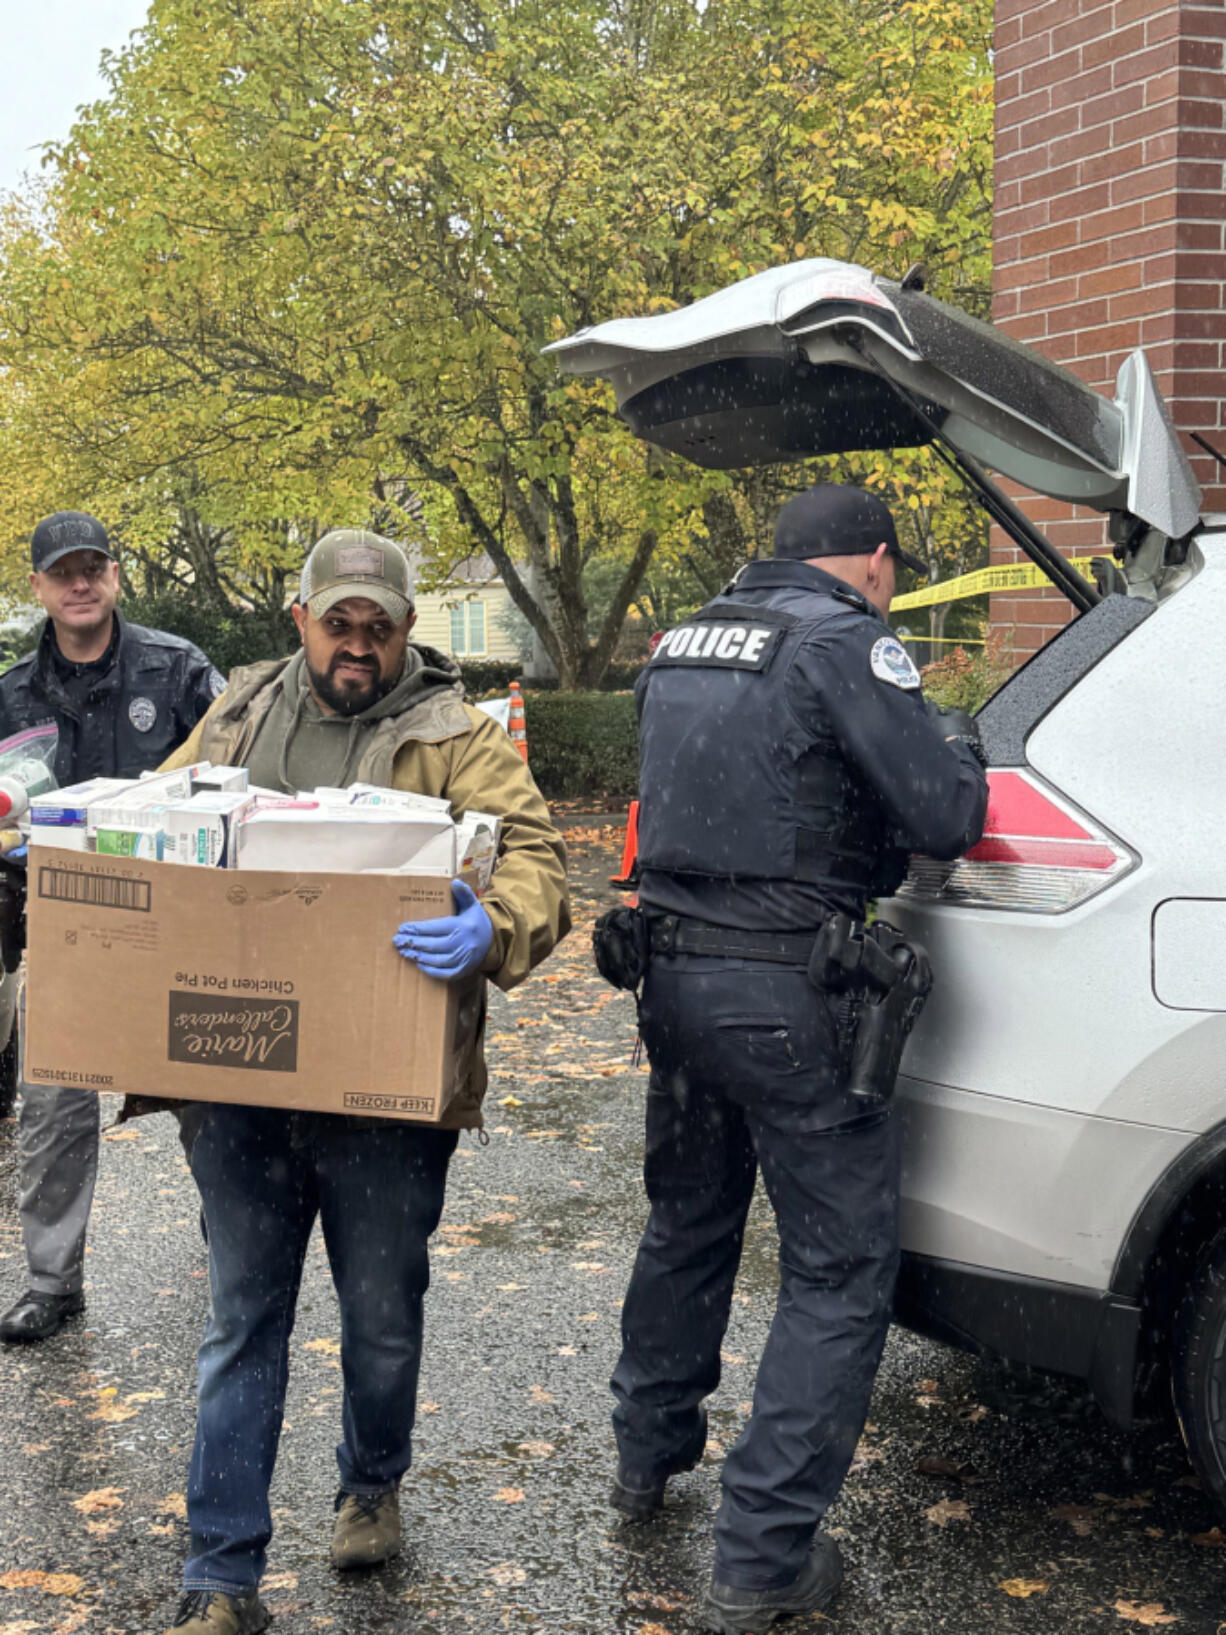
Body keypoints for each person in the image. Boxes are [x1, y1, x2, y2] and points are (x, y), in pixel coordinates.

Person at [150, 529, 570, 1635]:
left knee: (380, 1314)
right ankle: (219, 1574)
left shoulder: (453, 735)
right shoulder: (238, 713)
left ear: (402, 632)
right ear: (300, 619)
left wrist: (494, 922)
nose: (356, 644)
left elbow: (534, 855)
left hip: (382, 1092)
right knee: (244, 1317)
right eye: (337, 622)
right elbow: (152, 812)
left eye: (376, 627)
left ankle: (370, 1481)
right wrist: (71, 845)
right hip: (239, 1077)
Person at [606, 484, 989, 1633]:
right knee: (835, 1271)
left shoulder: (685, 642)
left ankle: (644, 1458)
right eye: (890, 577)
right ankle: (764, 1555)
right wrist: (956, 747)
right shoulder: (842, 642)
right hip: (785, 990)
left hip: (668, 977)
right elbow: (941, 815)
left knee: (686, 1225)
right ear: (871, 563)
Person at [0, 510, 223, 1344]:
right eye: (64, 572)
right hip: (61, 936)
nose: (80, 582)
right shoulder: (11, 695)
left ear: (116, 575)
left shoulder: (179, 670)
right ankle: (53, 1283)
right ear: (39, 587)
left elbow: (238, 768)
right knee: (53, 1111)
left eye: (94, 567)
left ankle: (235, 1262)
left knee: (212, 1103)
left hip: (180, 929)